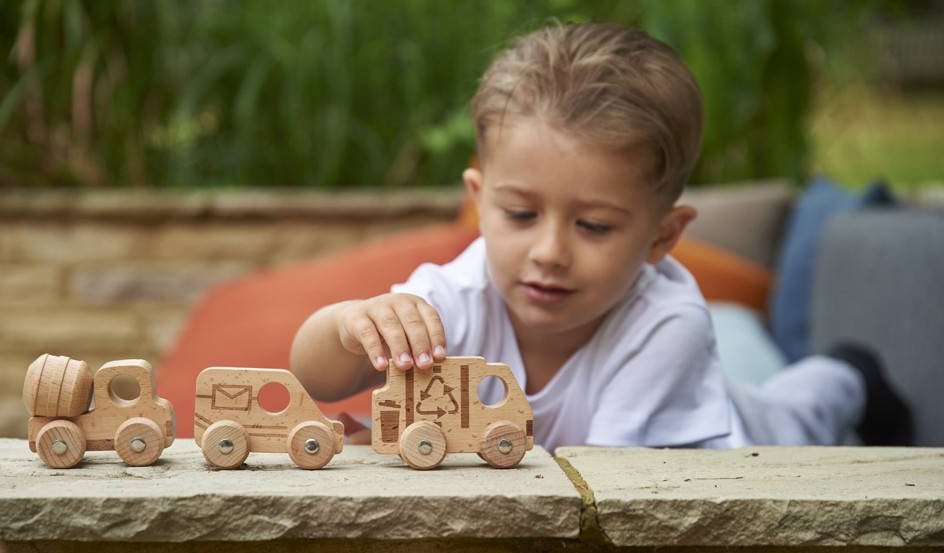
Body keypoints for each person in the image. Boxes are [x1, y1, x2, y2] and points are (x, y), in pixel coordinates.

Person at [291, 22, 911, 451]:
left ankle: (850, 374)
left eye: (592, 225)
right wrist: (349, 325)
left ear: (662, 238)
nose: (549, 253)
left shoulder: (668, 327)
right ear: (479, 201)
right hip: (678, 404)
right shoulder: (456, 296)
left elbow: (609, 498)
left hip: (738, 440)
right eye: (521, 215)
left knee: (797, 414)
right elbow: (316, 379)